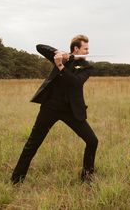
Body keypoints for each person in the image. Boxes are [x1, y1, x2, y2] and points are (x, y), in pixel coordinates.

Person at [11, 35, 98, 184]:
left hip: (72, 111)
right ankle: (16, 180)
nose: (87, 52)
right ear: (76, 48)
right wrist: (58, 53)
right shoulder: (63, 58)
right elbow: (39, 47)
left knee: (92, 141)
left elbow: (75, 83)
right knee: (33, 143)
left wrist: (61, 67)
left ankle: (87, 178)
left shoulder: (86, 66)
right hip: (50, 107)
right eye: (85, 49)